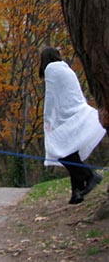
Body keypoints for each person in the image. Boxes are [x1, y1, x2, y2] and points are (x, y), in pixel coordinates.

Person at [39, 47, 106, 204]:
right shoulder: (66, 69)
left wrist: (47, 119)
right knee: (71, 151)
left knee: (60, 151)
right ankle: (77, 192)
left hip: (69, 116)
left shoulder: (51, 69)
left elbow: (51, 97)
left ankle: (90, 175)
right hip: (78, 112)